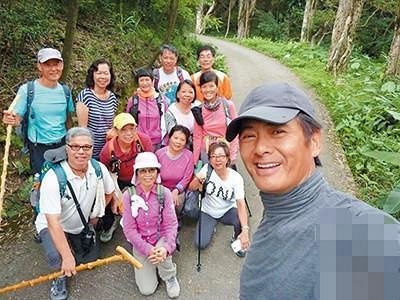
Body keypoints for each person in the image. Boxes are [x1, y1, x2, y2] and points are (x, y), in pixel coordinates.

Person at [225, 82, 400, 300]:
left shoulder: (359, 232)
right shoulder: (278, 210)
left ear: (315, 141)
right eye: (249, 136)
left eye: (278, 131)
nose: (260, 148)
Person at [35, 127, 114, 300]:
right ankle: (59, 278)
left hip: (80, 224)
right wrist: (66, 256)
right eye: (75, 146)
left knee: (89, 261)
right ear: (67, 148)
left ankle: (74, 244)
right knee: (58, 258)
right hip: (53, 225)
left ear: (93, 148)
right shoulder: (53, 178)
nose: (81, 152)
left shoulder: (98, 169)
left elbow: (109, 192)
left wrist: (95, 214)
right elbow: (53, 222)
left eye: (86, 147)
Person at [2, 47, 74, 174]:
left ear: (62, 65)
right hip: (39, 149)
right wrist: (10, 119)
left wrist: (72, 142)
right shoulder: (27, 90)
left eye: (56, 64)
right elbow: (17, 118)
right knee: (42, 184)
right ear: (40, 66)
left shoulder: (65, 91)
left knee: (63, 182)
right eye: (48, 65)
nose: (53, 69)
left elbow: (68, 119)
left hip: (62, 145)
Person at [122, 152, 180, 298]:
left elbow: (171, 225)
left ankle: (169, 274)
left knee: (163, 252)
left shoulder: (164, 193)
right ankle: (155, 263)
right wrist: (148, 249)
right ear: (137, 173)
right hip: (141, 243)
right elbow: (129, 230)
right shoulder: (128, 196)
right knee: (147, 290)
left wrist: (166, 249)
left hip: (160, 238)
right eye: (143, 170)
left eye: (151, 170)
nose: (148, 175)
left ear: (157, 172)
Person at [188, 141, 249, 257]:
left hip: (227, 211)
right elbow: (191, 188)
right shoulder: (207, 170)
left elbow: (241, 204)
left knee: (239, 219)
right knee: (200, 244)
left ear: (227, 158)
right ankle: (212, 225)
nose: (217, 160)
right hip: (208, 211)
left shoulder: (236, 178)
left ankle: (236, 237)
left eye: (221, 156)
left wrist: (245, 230)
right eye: (213, 156)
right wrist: (197, 180)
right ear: (209, 159)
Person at [98, 112, 152, 242]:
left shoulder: (144, 141)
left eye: (132, 129)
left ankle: (144, 227)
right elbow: (106, 177)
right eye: (124, 130)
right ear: (116, 131)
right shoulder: (107, 151)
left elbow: (151, 165)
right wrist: (114, 196)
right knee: (106, 199)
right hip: (116, 180)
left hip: (139, 178)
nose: (129, 133)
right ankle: (110, 224)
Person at [192, 71, 238, 165]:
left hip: (224, 153)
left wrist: (233, 155)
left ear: (217, 87)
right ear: (200, 89)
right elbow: (197, 137)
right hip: (207, 153)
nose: (208, 90)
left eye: (211, 86)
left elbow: (235, 132)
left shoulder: (228, 106)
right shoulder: (199, 110)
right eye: (204, 87)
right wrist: (195, 160)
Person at [76, 58, 118, 159]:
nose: (103, 77)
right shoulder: (85, 96)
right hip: (90, 151)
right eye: (99, 73)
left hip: (108, 149)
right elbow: (83, 129)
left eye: (106, 73)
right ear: (93, 75)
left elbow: (112, 123)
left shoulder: (112, 97)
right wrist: (86, 150)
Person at [125, 67, 168, 150]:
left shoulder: (160, 100)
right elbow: (128, 121)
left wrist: (165, 143)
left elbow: (166, 122)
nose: (145, 83)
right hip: (138, 142)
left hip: (157, 143)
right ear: (138, 82)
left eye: (147, 80)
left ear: (152, 81)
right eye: (141, 80)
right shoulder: (133, 101)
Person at [156, 125, 194, 211]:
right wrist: (165, 192)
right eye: (176, 138)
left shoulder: (189, 155)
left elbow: (186, 178)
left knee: (176, 202)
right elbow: (154, 176)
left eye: (182, 140)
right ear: (169, 138)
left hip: (178, 190)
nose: (178, 142)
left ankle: (175, 221)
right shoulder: (159, 154)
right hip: (160, 189)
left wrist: (176, 190)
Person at [164, 79, 197, 148]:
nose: (187, 95)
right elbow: (172, 133)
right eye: (183, 91)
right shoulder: (171, 111)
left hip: (197, 145)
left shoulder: (198, 107)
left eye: (190, 92)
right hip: (177, 146)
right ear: (178, 94)